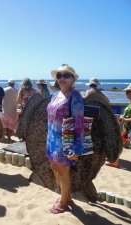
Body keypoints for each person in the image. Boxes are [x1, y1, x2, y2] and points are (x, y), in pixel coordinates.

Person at [47, 64, 84, 213]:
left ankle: (64, 202)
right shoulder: (55, 95)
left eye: (66, 75)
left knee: (63, 172)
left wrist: (77, 148)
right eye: (59, 75)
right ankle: (65, 195)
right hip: (51, 140)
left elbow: (80, 124)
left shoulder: (75, 98)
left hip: (65, 142)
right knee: (54, 168)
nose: (62, 78)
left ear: (73, 79)